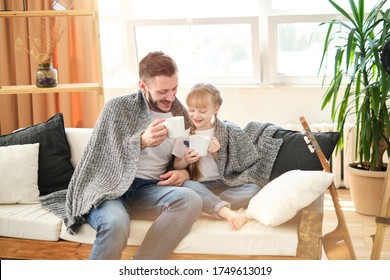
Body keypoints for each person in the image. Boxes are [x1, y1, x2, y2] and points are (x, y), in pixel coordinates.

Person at [63, 51, 203, 260]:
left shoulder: (180, 114)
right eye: (163, 91)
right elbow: (99, 157)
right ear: (143, 86)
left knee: (190, 200)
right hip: (109, 189)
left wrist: (183, 174)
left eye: (174, 89)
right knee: (116, 224)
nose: (171, 97)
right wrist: (141, 142)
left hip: (148, 189)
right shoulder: (118, 108)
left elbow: (183, 158)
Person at [172, 83, 261, 230]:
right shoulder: (184, 135)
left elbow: (233, 167)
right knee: (187, 186)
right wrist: (186, 160)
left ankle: (209, 204)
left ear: (216, 109)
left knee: (254, 188)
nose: (196, 115)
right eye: (192, 110)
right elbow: (176, 165)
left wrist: (216, 153)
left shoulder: (225, 132)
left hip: (224, 184)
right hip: (200, 184)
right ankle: (225, 211)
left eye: (202, 111)